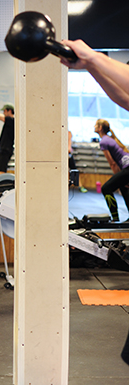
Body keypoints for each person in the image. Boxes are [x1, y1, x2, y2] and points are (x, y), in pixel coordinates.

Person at [60, 39, 129, 365]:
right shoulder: (108, 135)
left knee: (112, 188)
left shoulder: (104, 139)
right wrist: (89, 66)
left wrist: (93, 56)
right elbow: (124, 97)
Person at [93, 119, 129, 221]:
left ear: (100, 128)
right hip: (127, 168)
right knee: (124, 188)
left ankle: (115, 218)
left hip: (127, 168)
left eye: (96, 125)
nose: (94, 127)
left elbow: (112, 163)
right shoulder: (110, 138)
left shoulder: (103, 141)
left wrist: (118, 177)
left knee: (106, 188)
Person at [0, 104, 15, 175]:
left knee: (1, 170)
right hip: (5, 149)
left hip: (5, 150)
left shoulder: (11, 120)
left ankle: (1, 185)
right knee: (0, 169)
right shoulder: (11, 122)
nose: (3, 113)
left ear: (10, 111)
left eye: (5, 111)